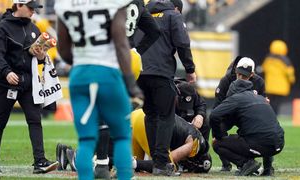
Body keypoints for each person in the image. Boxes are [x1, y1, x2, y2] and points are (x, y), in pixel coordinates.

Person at [55, 0, 144, 179]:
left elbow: (63, 49)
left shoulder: (65, 4)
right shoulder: (114, 3)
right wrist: (130, 83)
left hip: (79, 75)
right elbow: (121, 44)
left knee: (86, 139)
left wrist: (82, 62)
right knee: (121, 135)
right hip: (107, 72)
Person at [0, 0, 58, 174]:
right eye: (30, 7)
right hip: (7, 83)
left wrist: (41, 56)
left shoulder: (35, 29)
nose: (34, 11)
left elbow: (37, 59)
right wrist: (6, 72)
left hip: (28, 83)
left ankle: (40, 162)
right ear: (19, 5)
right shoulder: (2, 28)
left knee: (35, 120)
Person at [93, 0, 160, 178]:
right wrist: (138, 50)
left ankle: (102, 163)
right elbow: (155, 31)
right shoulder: (138, 2)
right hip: (131, 58)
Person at [137, 0, 197, 176]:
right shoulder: (173, 15)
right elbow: (182, 43)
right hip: (161, 73)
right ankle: (161, 163)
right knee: (166, 116)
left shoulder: (142, 13)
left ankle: (156, 160)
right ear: (177, 8)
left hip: (139, 72)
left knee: (151, 115)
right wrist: (190, 69)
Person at [56, 109, 211, 174]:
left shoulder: (191, 131)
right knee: (165, 165)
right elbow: (169, 159)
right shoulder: (197, 145)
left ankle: (80, 155)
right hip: (147, 124)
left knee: (128, 162)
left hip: (140, 115)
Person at [210, 62, 285, 176]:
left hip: (260, 144)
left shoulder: (236, 98)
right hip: (279, 144)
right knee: (262, 131)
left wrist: (219, 136)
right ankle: (268, 168)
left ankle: (246, 163)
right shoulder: (261, 98)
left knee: (217, 144)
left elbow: (214, 115)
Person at [262, 40, 295, 115]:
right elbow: (290, 73)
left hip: (270, 86)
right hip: (281, 87)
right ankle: (274, 116)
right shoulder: (285, 61)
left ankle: (268, 115)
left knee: (270, 102)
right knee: (277, 104)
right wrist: (292, 80)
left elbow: (264, 70)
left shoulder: (268, 59)